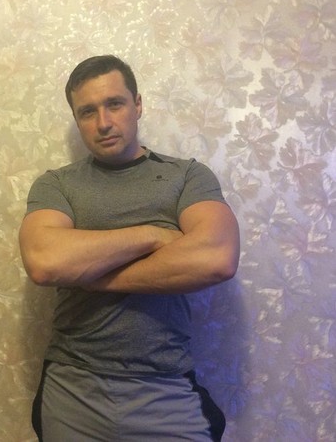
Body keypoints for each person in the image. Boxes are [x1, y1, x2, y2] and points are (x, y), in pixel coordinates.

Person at [19, 55, 240, 441]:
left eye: (115, 104)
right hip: (73, 388)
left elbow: (217, 257)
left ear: (137, 105)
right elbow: (44, 261)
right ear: (76, 119)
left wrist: (92, 276)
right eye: (87, 111)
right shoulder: (56, 185)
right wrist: (153, 235)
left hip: (167, 387)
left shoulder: (186, 176)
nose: (103, 122)